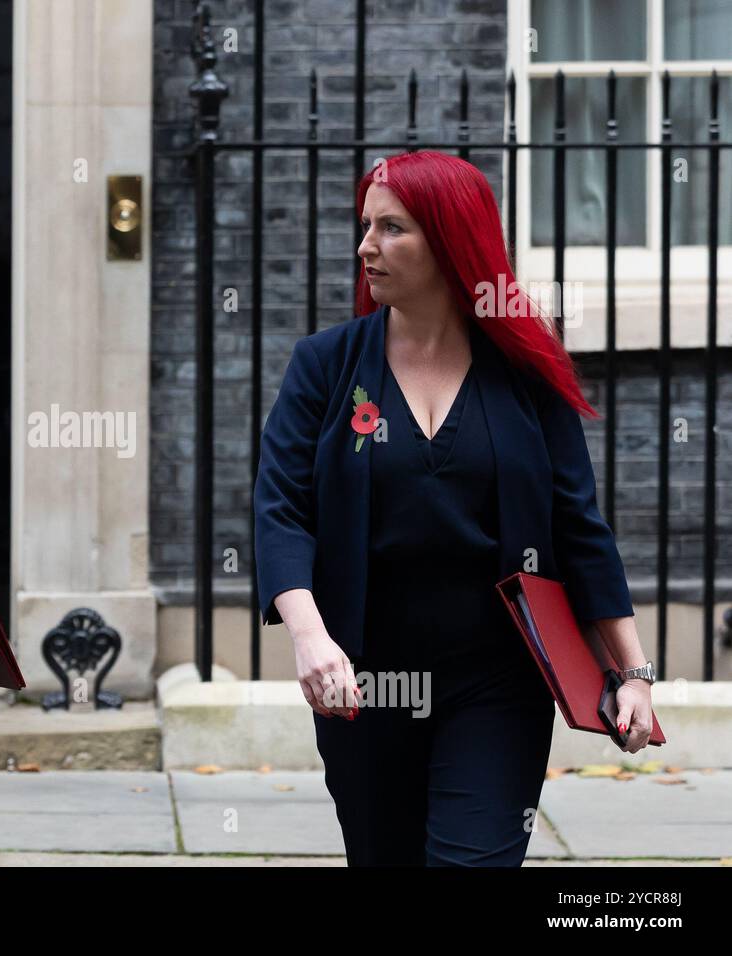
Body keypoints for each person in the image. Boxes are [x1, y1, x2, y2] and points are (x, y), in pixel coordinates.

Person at [253, 150, 656, 866]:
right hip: (367, 680)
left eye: (391, 228)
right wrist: (310, 637)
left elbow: (578, 525)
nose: (366, 246)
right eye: (366, 226)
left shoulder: (525, 370)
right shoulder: (325, 365)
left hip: (498, 679)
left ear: (449, 240)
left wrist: (633, 676)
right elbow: (282, 509)